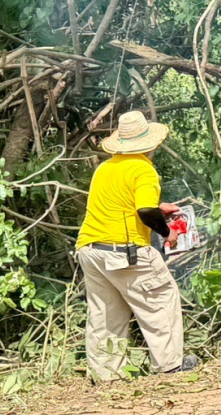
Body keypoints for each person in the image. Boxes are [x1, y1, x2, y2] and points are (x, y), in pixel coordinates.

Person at [75, 110, 198, 381]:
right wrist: (167, 232)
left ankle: (106, 375)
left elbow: (121, 204)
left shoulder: (104, 168)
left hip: (90, 250)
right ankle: (170, 365)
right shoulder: (143, 168)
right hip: (124, 251)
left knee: (106, 314)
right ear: (152, 144)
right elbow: (144, 210)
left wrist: (157, 208)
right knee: (161, 299)